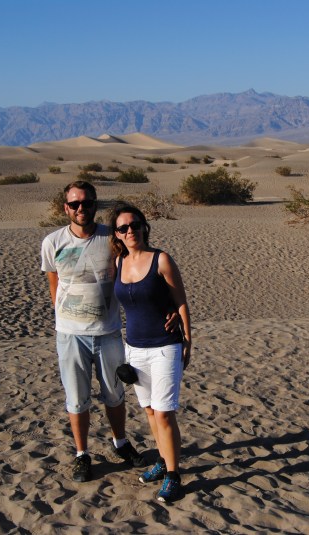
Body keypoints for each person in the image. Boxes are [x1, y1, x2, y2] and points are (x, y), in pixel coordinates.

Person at [40, 181, 146, 483]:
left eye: (86, 203)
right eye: (74, 204)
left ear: (95, 204)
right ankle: (81, 454)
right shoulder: (52, 242)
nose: (81, 208)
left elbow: (136, 267)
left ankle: (120, 443)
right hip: (70, 335)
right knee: (77, 398)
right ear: (66, 208)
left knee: (114, 393)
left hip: (108, 332)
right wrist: (65, 320)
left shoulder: (111, 238)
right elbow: (54, 284)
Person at [110, 203, 192, 503]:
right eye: (123, 227)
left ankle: (173, 475)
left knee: (164, 412)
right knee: (149, 411)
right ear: (117, 234)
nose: (130, 230)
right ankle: (163, 460)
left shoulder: (161, 259)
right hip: (135, 349)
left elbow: (180, 300)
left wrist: (187, 339)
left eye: (135, 224)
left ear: (144, 227)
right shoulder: (117, 262)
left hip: (165, 346)